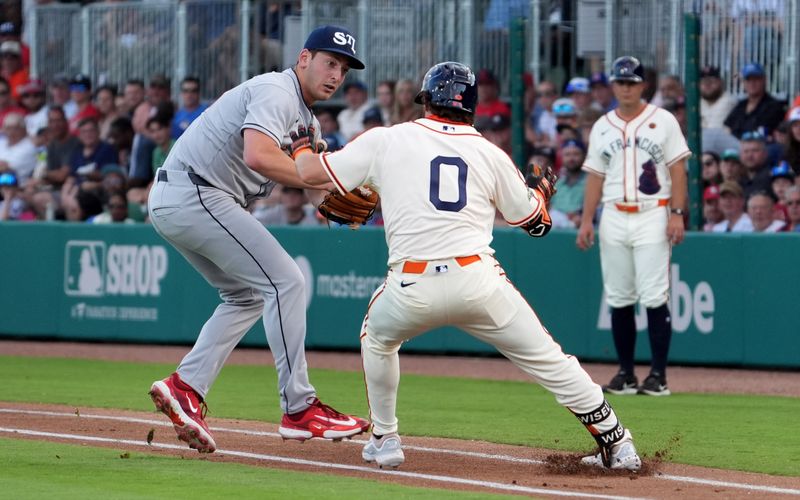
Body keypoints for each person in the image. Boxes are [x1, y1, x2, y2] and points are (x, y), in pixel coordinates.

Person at [295, 61, 642, 472]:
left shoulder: (389, 139)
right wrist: (539, 197)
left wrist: (302, 146)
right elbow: (535, 225)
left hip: (411, 284)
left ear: (427, 101)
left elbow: (310, 173)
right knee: (551, 360)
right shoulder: (490, 153)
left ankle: (386, 438)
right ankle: (618, 444)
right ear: (472, 107)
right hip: (477, 279)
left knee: (377, 338)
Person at [146, 25, 370, 454]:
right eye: (329, 61)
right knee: (287, 281)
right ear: (303, 58)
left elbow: (324, 187)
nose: (336, 74)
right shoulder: (277, 91)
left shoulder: (308, 122)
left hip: (185, 197)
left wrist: (343, 199)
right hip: (197, 192)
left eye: (342, 68)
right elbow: (259, 156)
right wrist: (320, 179)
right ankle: (300, 408)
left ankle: (185, 387)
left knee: (246, 296)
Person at [576, 56, 690, 397]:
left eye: (631, 81)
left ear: (643, 85)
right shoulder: (602, 125)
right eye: (620, 81)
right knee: (619, 295)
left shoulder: (663, 120)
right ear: (613, 85)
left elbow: (678, 170)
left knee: (654, 294)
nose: (626, 87)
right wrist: (586, 219)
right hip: (613, 213)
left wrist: (677, 212)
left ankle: (658, 376)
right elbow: (595, 175)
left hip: (652, 211)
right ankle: (625, 373)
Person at [724, 62, 786, 140]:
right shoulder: (741, 105)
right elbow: (728, 128)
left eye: (756, 79)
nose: (752, 83)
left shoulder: (774, 106)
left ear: (764, 80)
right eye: (748, 80)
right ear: (743, 82)